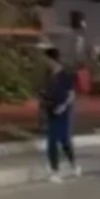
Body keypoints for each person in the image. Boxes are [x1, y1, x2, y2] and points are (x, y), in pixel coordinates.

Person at [40, 46, 81, 183]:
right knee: (52, 141)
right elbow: (44, 93)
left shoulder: (65, 76)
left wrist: (62, 107)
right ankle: (55, 169)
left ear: (53, 60)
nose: (44, 62)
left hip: (62, 113)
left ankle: (69, 167)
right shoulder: (48, 76)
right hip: (50, 112)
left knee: (63, 142)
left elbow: (71, 95)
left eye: (46, 59)